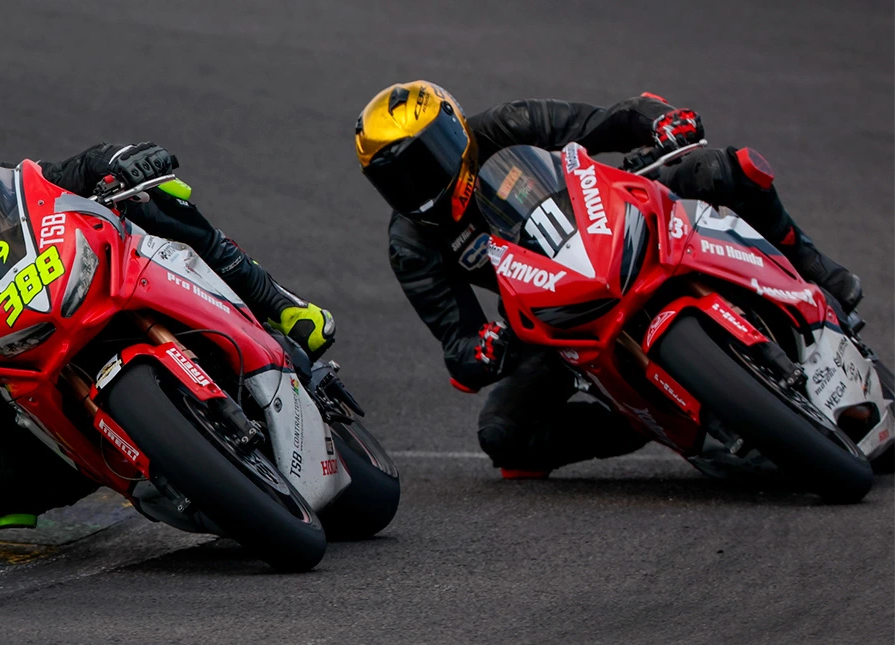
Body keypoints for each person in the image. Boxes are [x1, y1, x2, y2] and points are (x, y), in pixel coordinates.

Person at [0, 124, 335, 528]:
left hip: (63, 292)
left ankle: (277, 303)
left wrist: (118, 160)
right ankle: (147, 465)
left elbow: (58, 177)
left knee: (149, 196)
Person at [354, 82, 865, 477]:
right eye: (395, 179)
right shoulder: (412, 245)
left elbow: (609, 121)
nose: (417, 186)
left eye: (425, 161)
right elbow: (458, 345)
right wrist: (484, 350)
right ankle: (635, 418)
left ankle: (816, 269)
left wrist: (662, 122)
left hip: (610, 221)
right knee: (504, 438)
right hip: (555, 317)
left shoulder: (506, 124)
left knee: (725, 169)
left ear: (455, 130)